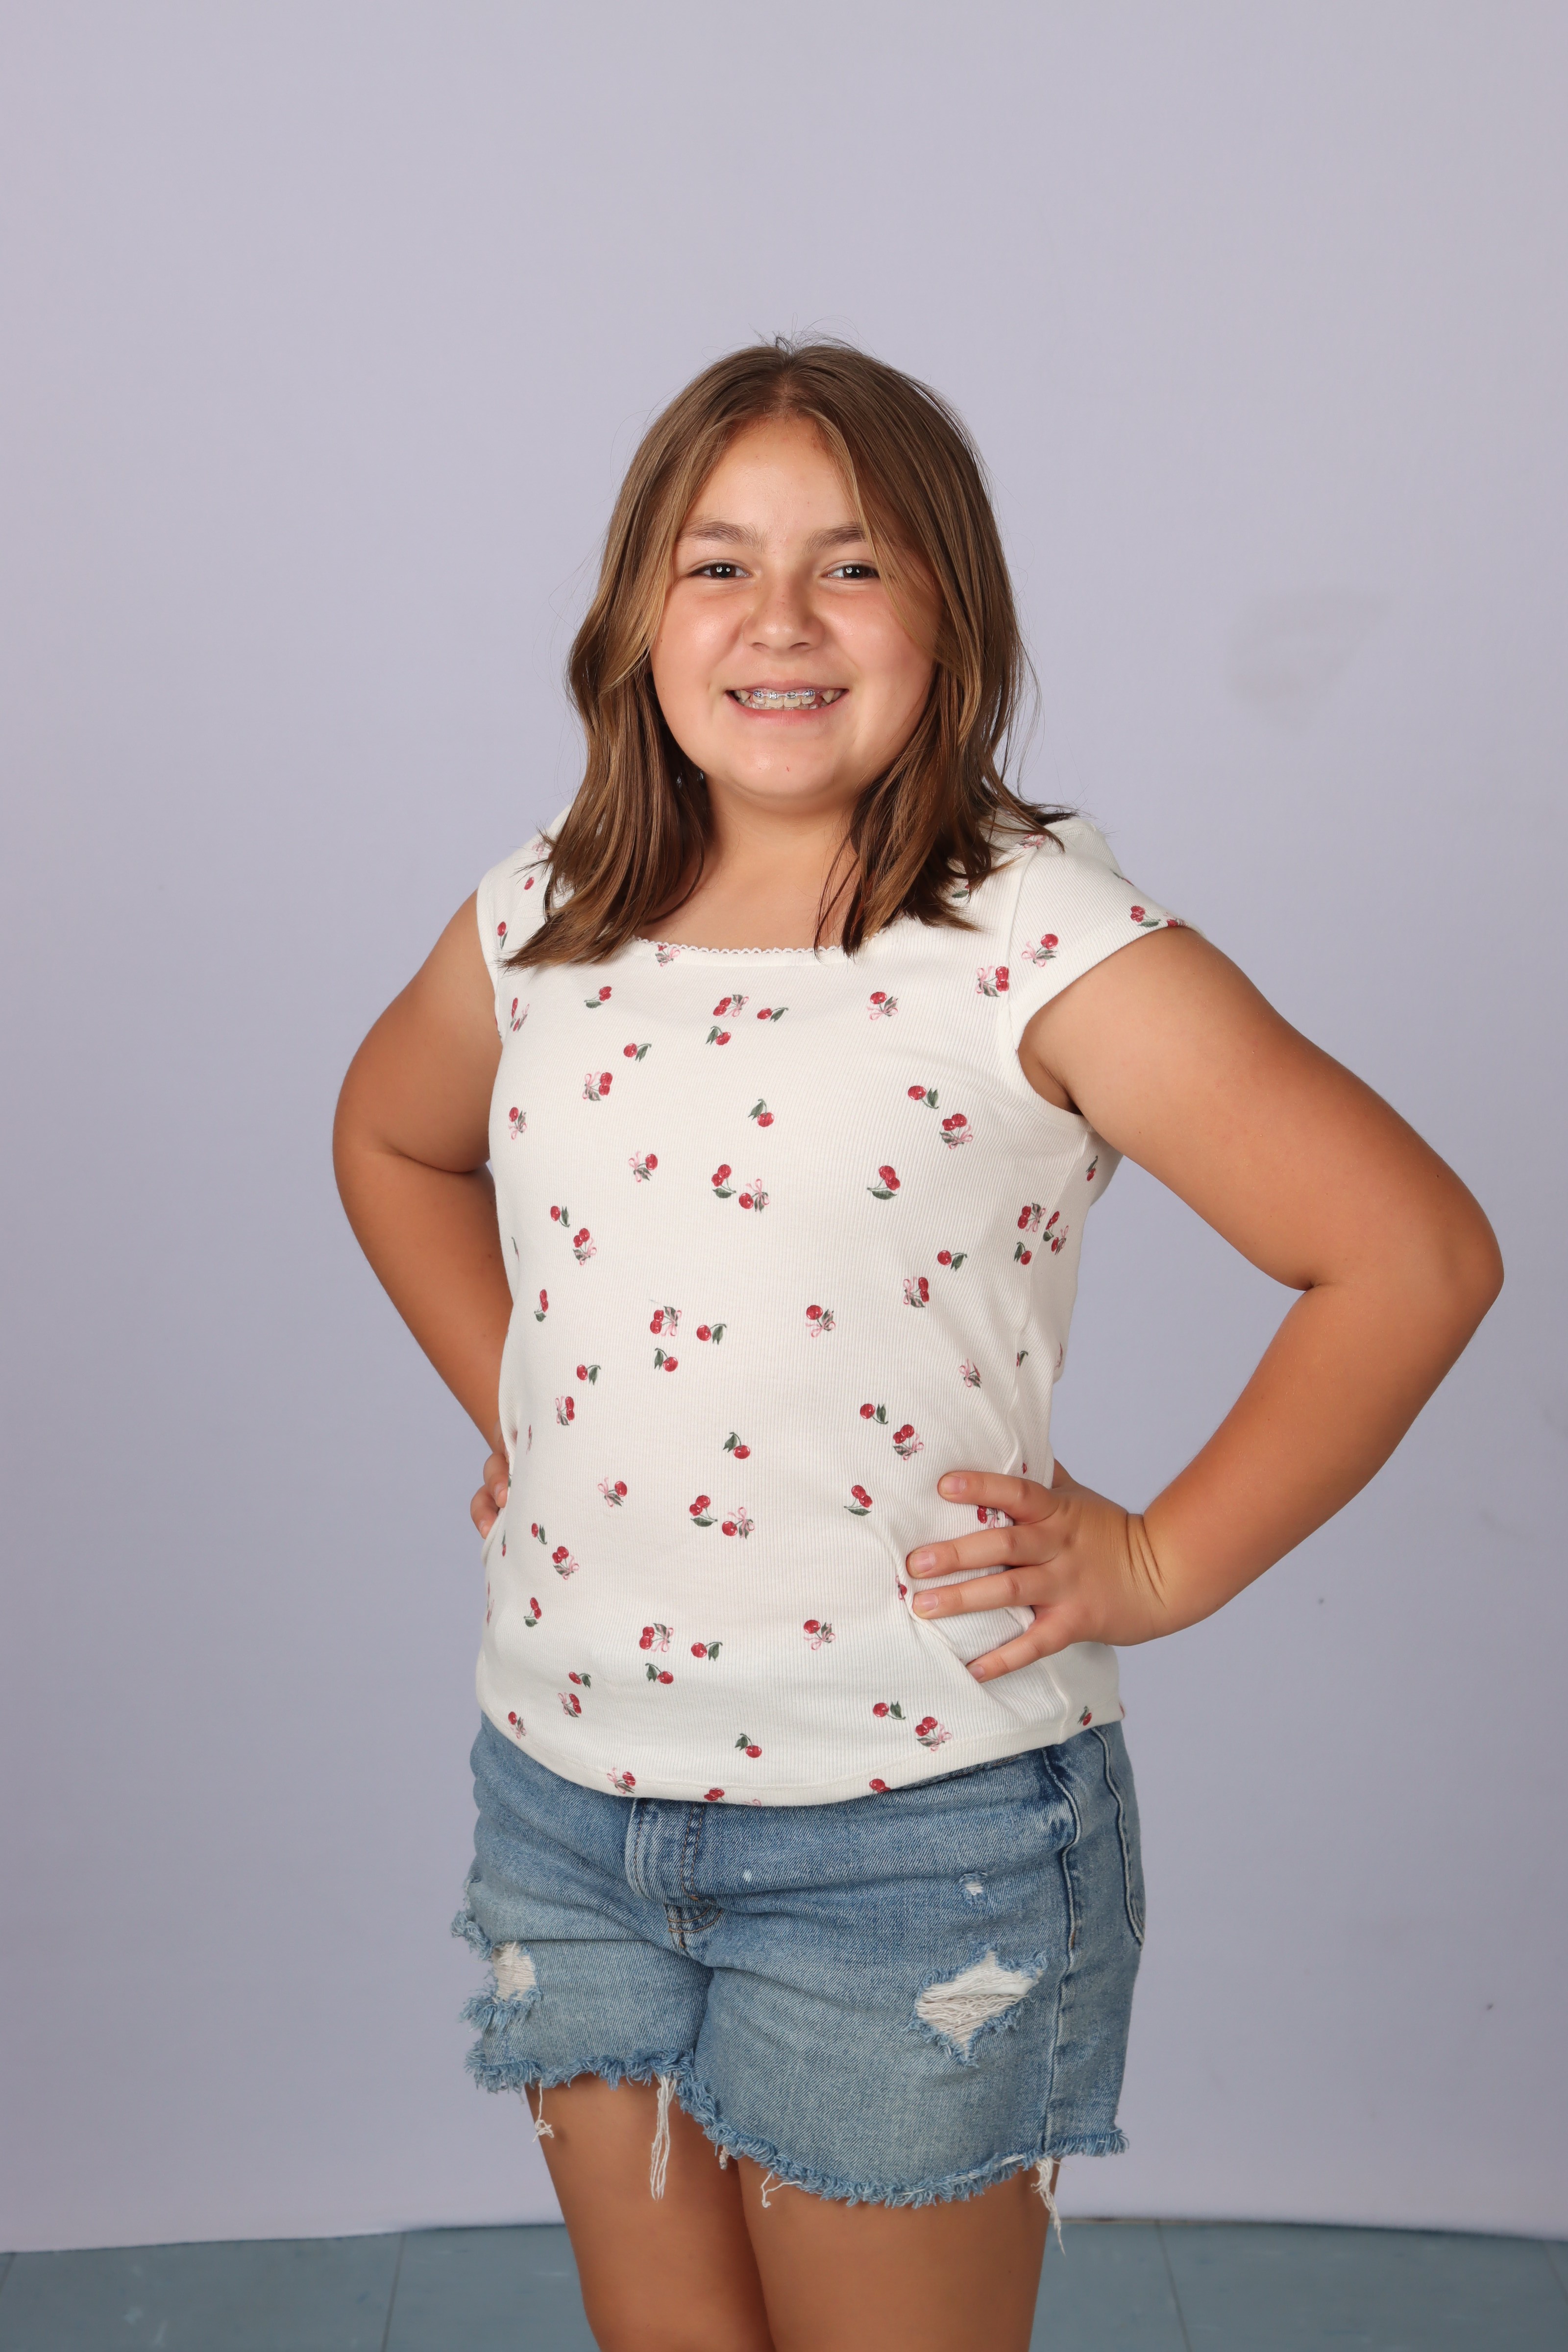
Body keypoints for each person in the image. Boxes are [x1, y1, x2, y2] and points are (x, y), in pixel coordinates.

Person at [333, 338, 1501, 2352]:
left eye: (852, 565)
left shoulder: (1032, 935)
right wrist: (520, 1403)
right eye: (717, 564)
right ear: (635, 614)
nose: (779, 617)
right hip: (568, 1801)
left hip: (916, 1835)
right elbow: (390, 1138)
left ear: (951, 613)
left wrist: (1159, 1560)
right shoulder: (546, 914)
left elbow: (1411, 1255)